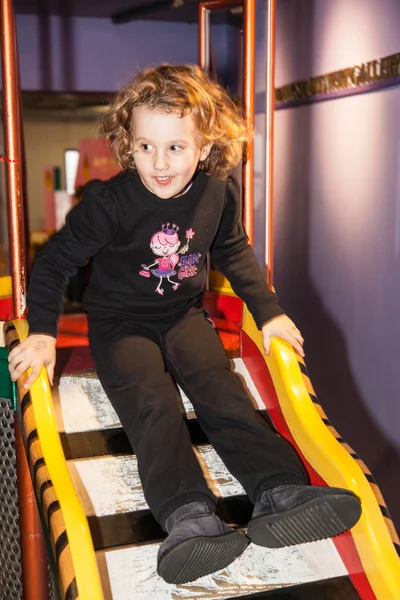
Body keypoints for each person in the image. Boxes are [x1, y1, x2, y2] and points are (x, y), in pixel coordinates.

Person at [8, 64, 361, 585]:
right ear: (128, 144)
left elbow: (234, 253)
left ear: (205, 145)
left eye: (176, 147)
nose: (160, 162)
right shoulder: (111, 203)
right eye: (146, 146)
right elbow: (57, 260)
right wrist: (41, 331)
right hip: (120, 323)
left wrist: (270, 313)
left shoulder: (217, 192)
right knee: (152, 403)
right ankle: (189, 518)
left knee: (223, 393)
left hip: (182, 315)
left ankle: (279, 491)